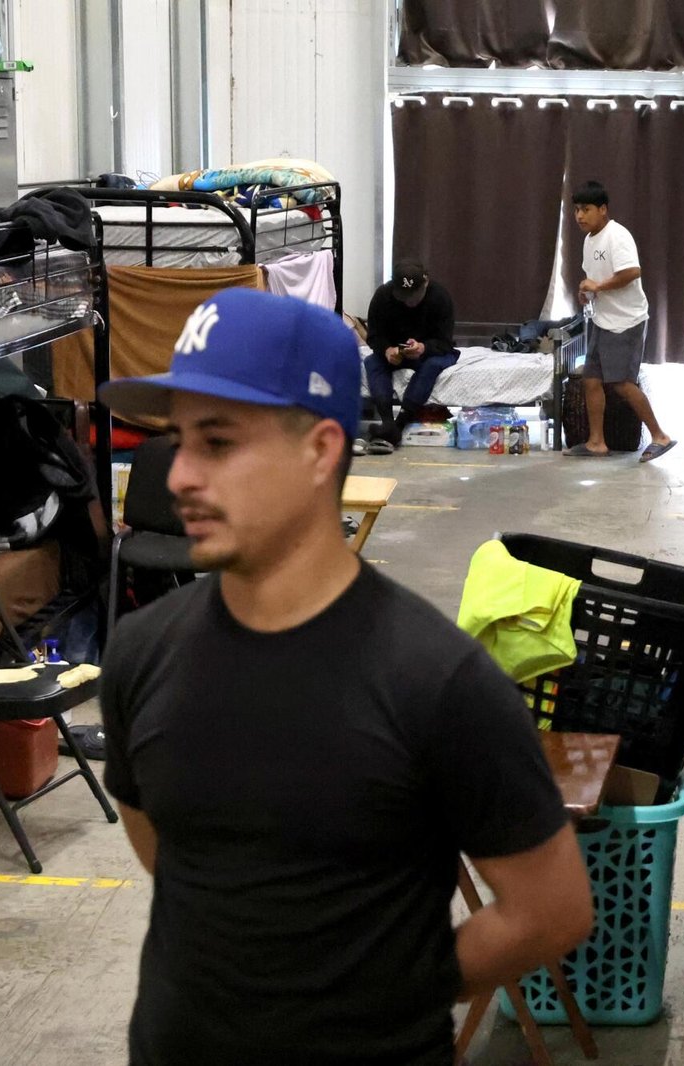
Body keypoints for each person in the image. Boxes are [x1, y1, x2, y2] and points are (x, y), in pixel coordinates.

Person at [95, 288, 594, 1066]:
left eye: (218, 442)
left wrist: (390, 992)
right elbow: (169, 855)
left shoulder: (436, 683)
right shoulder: (141, 652)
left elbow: (551, 909)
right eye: (179, 440)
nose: (180, 475)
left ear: (321, 450)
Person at [566, 180, 676, 462]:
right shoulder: (589, 241)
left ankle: (660, 436)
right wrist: (588, 295)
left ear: (603, 209)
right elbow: (595, 280)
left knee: (622, 384)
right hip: (602, 320)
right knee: (591, 380)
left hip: (627, 321)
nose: (580, 215)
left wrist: (598, 288)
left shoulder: (617, 236)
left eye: (586, 209)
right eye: (577, 209)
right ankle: (596, 442)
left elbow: (631, 272)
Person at [362, 259, 459, 453]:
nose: (410, 301)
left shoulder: (440, 298)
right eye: (404, 296)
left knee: (431, 366)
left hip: (428, 351)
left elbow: (445, 342)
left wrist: (424, 347)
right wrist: (387, 350)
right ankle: (387, 421)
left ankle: (399, 424)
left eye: (414, 295)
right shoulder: (383, 296)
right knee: (373, 362)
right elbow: (373, 336)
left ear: (426, 283)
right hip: (395, 351)